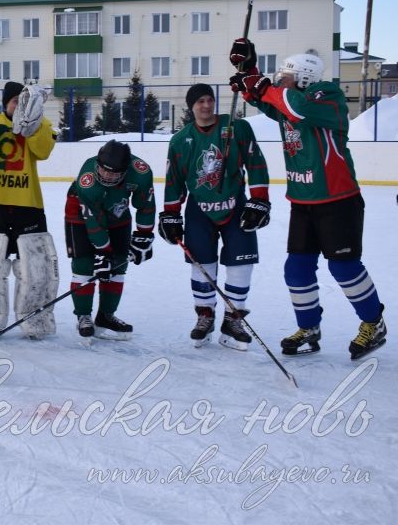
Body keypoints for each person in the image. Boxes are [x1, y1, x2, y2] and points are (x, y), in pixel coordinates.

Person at [229, 39, 385, 359]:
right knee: (296, 270)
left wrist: (261, 87)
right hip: (303, 202)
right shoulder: (290, 101)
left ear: (304, 79)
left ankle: (374, 322)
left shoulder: (327, 98)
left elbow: (294, 106)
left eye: (285, 78)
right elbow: (266, 100)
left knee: (344, 268)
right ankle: (309, 327)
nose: (279, 82)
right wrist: (247, 72)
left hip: (337, 200)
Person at [159, 83, 271, 350]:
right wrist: (171, 215)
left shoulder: (237, 127)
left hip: (236, 207)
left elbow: (255, 163)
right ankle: (205, 316)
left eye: (210, 99)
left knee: (241, 265)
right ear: (191, 106)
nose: (206, 105)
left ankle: (233, 320)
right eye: (200, 101)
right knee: (201, 264)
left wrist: (259, 200)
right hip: (200, 210)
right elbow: (174, 181)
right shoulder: (179, 140)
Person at [0, 81, 59, 339]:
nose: (19, 105)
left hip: (28, 205)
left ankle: (35, 317)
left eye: (23, 101)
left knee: (36, 268)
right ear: (5, 102)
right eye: (15, 101)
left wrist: (33, 125)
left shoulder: (42, 124)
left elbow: (43, 151)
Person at [64, 140, 155, 339]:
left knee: (118, 264)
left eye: (114, 173)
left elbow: (146, 205)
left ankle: (106, 315)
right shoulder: (87, 181)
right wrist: (103, 253)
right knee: (85, 263)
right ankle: (83, 316)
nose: (106, 176)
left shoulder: (141, 173)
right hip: (81, 214)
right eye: (103, 170)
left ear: (126, 170)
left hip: (117, 212)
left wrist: (144, 235)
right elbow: (94, 222)